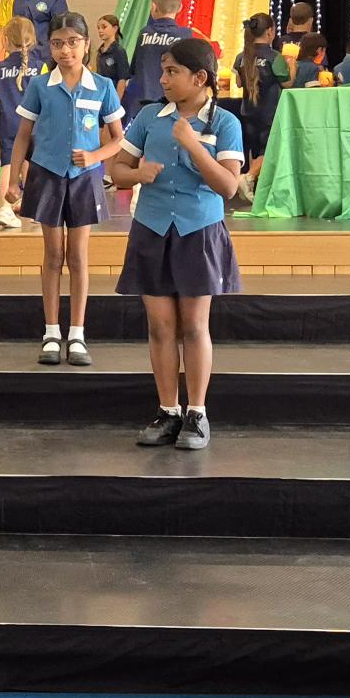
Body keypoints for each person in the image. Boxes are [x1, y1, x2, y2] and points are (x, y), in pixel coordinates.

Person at [89, 39, 244, 448]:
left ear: (200, 78)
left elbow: (229, 186)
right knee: (160, 326)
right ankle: (167, 411)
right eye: (162, 71)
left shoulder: (225, 122)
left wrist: (193, 144)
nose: (163, 79)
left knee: (194, 326)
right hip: (152, 229)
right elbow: (116, 169)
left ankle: (197, 414)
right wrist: (139, 174)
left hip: (199, 231)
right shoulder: (148, 117)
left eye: (171, 71)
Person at [6, 12, 124, 365]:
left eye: (73, 42)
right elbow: (22, 137)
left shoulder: (101, 86)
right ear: (49, 47)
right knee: (53, 256)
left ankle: (77, 334)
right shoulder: (41, 86)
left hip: (84, 180)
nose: (65, 50)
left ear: (86, 44)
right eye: (57, 43)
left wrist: (95, 156)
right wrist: (13, 180)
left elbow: (119, 140)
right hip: (46, 175)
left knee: (79, 256)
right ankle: (51, 332)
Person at [0, 16, 41, 230]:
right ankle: (37, 209)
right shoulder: (40, 67)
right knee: (33, 165)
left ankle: (6, 208)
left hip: (9, 123)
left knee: (8, 165)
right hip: (36, 126)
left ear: (7, 41)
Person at [126, 0, 195, 122]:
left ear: (153, 7)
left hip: (143, 107)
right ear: (180, 7)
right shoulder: (186, 35)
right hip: (175, 107)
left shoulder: (144, 33)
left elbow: (133, 70)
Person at [234, 13, 284, 205]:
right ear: (270, 32)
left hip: (247, 111)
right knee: (269, 149)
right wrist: (291, 65)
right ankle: (247, 177)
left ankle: (252, 184)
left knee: (255, 150)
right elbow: (286, 83)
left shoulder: (241, 56)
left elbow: (239, 83)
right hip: (269, 112)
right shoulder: (274, 57)